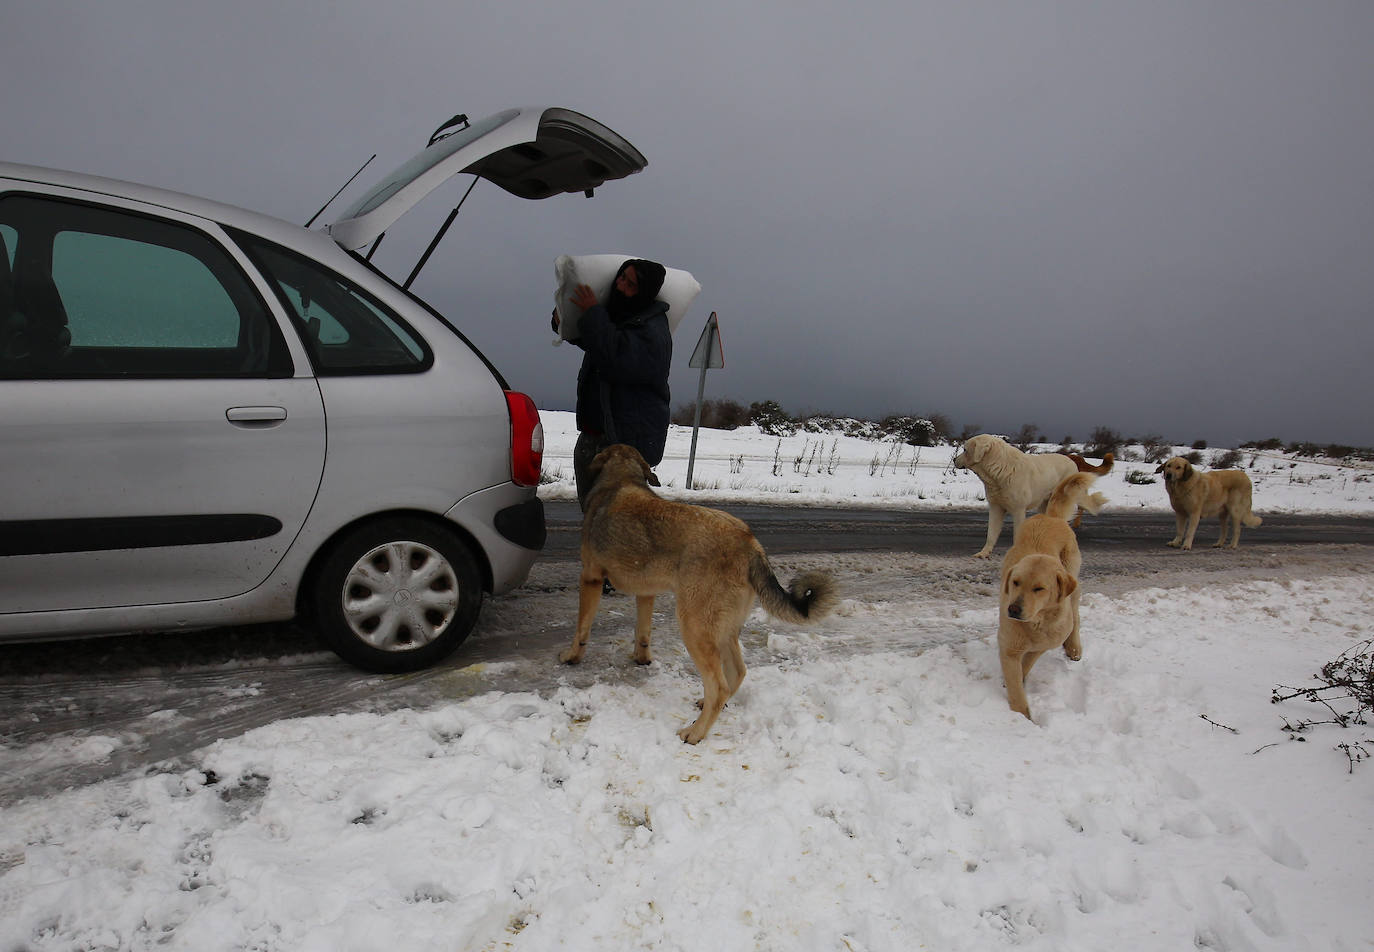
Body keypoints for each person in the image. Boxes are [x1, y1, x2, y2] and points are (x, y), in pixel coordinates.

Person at [551, 258, 672, 511]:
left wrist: (593, 313)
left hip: (623, 444)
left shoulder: (653, 332)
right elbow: (595, 341)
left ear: (644, 292)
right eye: (621, 277)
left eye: (631, 284)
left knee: (617, 520)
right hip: (594, 435)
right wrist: (564, 321)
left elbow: (617, 359)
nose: (621, 285)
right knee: (593, 515)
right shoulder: (621, 317)